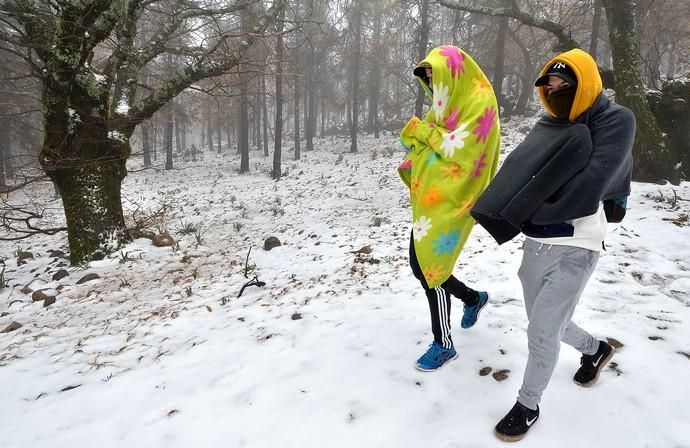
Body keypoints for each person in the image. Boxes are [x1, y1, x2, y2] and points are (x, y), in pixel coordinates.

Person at [470, 48, 635, 441]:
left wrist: (529, 207)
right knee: (548, 323)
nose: (556, 89)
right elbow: (522, 168)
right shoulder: (550, 125)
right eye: (550, 84)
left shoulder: (617, 120)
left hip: (579, 242)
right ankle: (595, 349)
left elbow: (591, 183)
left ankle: (528, 405)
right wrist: (509, 207)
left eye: (565, 84)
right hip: (535, 241)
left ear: (586, 84)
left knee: (542, 331)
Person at [398, 45, 501, 371]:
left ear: (454, 73)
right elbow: (430, 139)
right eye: (427, 78)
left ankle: (443, 343)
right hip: (433, 199)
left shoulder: (479, 102)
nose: (432, 84)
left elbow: (458, 151)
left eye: (435, 75)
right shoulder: (446, 105)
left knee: (430, 268)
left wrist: (421, 131)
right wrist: (423, 135)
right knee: (421, 264)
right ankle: (473, 298)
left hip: (456, 197)